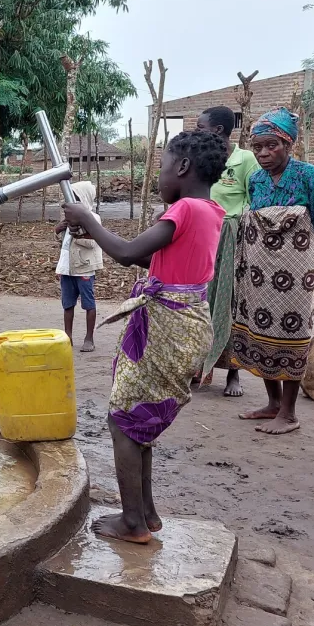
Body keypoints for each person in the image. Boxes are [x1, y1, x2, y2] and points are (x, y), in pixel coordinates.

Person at [61, 129, 227, 544]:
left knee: (123, 422)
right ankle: (145, 512)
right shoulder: (210, 210)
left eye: (165, 166)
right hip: (183, 321)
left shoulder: (185, 209)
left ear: (184, 167)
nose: (160, 176)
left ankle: (132, 522)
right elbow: (145, 258)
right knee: (141, 419)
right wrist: (95, 232)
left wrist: (87, 220)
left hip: (166, 327)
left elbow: (127, 253)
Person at [230, 108, 314, 435]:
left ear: (288, 144)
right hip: (259, 272)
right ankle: (272, 403)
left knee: (291, 333)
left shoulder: (310, 176)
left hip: (295, 274)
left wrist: (307, 261)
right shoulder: (256, 179)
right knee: (260, 329)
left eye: (271, 145)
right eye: (257, 146)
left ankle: (289, 414)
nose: (263, 153)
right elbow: (258, 226)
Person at [195, 105, 260, 393]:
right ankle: (198, 366)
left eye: (201, 127)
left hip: (230, 237)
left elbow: (255, 199)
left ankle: (233, 372)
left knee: (229, 302)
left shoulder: (244, 159)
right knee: (200, 300)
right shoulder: (201, 156)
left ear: (218, 130)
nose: (197, 132)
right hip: (202, 236)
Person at [53, 180, 103, 353]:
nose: (71, 202)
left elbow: (94, 243)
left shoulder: (93, 218)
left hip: (84, 267)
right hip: (68, 267)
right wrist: (58, 230)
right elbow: (64, 244)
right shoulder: (68, 219)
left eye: (75, 198)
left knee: (88, 303)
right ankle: (68, 337)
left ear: (84, 199)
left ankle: (89, 338)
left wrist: (77, 235)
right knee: (67, 304)